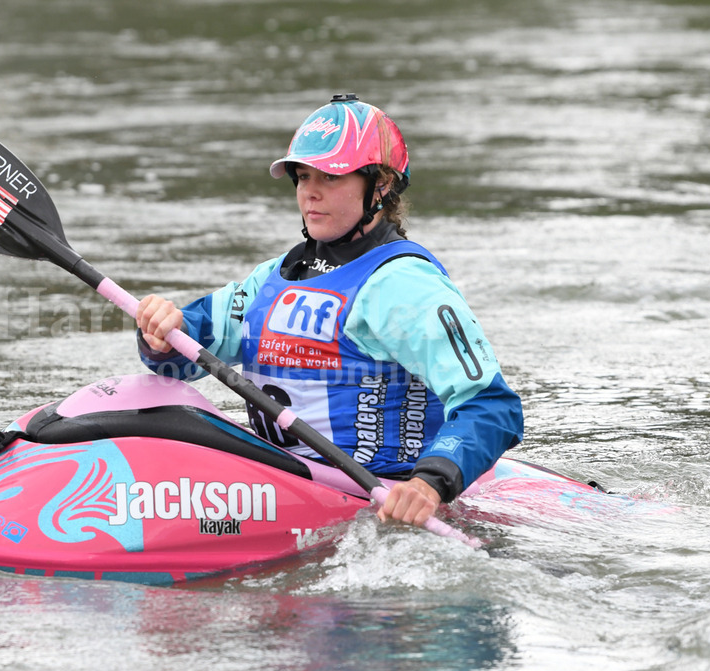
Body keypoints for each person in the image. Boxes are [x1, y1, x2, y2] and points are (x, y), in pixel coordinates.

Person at [135, 94, 523, 528]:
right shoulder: (275, 275)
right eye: (302, 176)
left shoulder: (403, 285)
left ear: (380, 185)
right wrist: (162, 331)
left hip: (382, 500)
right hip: (286, 484)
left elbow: (492, 405)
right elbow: (182, 358)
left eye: (330, 177)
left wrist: (429, 483)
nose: (310, 192)